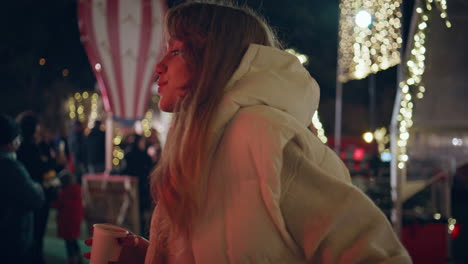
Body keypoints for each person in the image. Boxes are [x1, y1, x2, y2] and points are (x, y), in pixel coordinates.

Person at [85, 2, 412, 263]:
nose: (158, 66)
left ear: (211, 60)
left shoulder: (262, 135)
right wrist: (149, 253)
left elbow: (374, 253)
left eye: (175, 51)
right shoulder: (198, 144)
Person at [0, 114, 45, 263]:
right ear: (9, 143)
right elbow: (35, 198)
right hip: (11, 238)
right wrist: (37, 187)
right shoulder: (11, 167)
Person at [16, 111, 56, 264]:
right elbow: (41, 168)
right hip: (35, 196)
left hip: (32, 197)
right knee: (36, 235)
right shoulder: (29, 148)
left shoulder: (26, 147)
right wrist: (53, 162)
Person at [122, 134, 155, 236]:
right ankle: (141, 231)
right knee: (141, 211)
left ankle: (134, 230)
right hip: (142, 187)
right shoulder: (144, 155)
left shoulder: (128, 154)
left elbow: (124, 170)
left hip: (131, 187)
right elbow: (151, 169)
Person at [51, 170, 84, 264]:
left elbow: (56, 204)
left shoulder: (64, 193)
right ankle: (78, 257)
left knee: (69, 243)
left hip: (67, 222)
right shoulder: (77, 190)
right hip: (75, 220)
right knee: (74, 240)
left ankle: (72, 260)